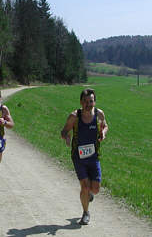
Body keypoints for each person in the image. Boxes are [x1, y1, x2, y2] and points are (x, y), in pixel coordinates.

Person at [61, 88, 108, 225]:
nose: (89, 104)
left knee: (95, 189)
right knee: (85, 187)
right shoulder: (74, 116)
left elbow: (105, 126)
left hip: (94, 157)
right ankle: (86, 212)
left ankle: (89, 195)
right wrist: (66, 137)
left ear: (94, 102)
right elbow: (64, 131)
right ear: (81, 102)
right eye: (86, 101)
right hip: (78, 157)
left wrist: (103, 132)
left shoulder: (99, 114)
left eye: (91, 101)